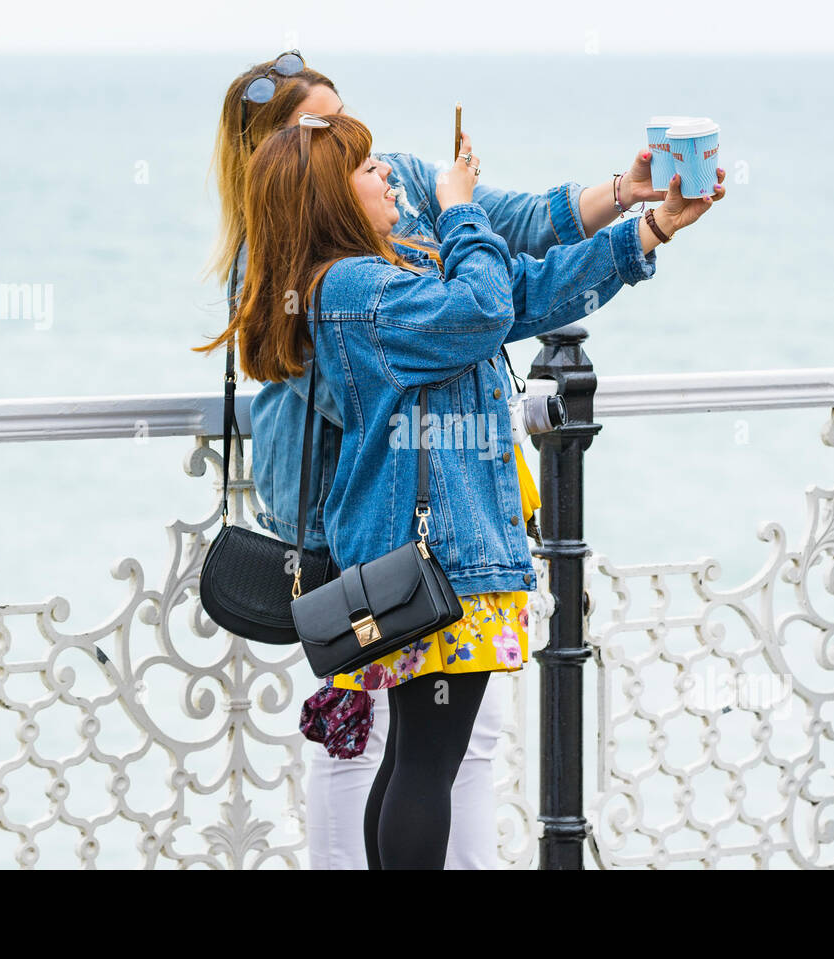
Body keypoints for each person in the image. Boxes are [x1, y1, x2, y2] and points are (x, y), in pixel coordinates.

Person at [193, 51, 725, 869]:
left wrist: (645, 228)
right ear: (329, 191)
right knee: (427, 763)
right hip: (438, 555)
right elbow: (484, 306)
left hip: (428, 551)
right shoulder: (357, 289)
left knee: (415, 758)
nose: (394, 180)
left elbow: (522, 293)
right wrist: (459, 209)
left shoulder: (385, 275)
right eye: (370, 169)